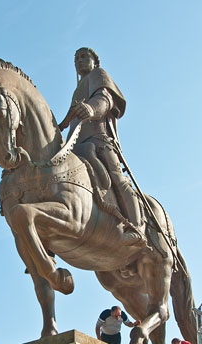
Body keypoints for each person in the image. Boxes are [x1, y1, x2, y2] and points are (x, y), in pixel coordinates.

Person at [59, 47, 146, 247]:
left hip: (99, 139)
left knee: (118, 180)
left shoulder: (98, 74)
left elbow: (105, 99)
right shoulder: (77, 89)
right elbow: (71, 116)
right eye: (76, 59)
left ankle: (137, 227)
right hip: (77, 144)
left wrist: (91, 108)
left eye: (84, 57)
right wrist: (60, 126)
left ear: (94, 61)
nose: (79, 61)